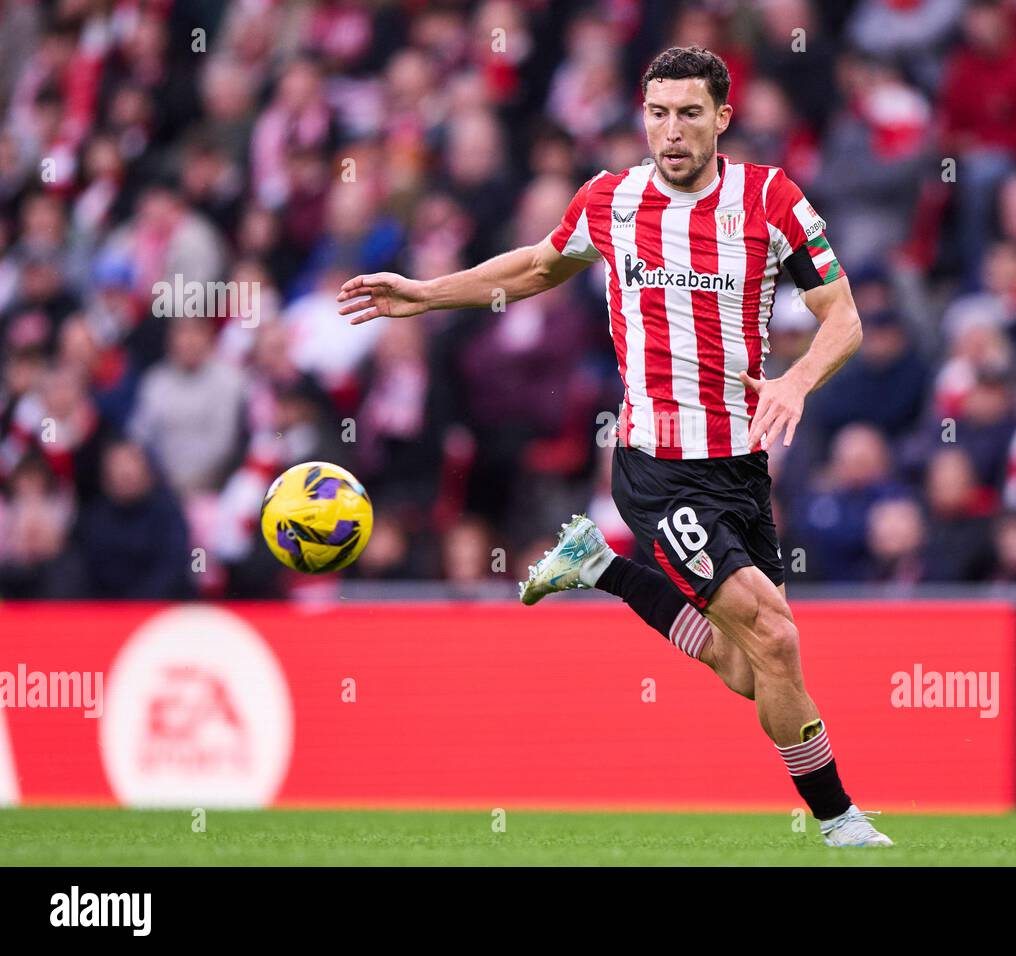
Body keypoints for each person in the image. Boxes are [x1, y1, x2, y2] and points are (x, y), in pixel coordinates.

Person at [337, 47, 891, 848]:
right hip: (656, 467)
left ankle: (601, 566)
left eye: (689, 113)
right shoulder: (610, 200)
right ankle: (841, 819)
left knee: (750, 670)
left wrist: (797, 382)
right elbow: (533, 268)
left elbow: (844, 318)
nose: (671, 130)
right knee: (777, 638)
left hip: (741, 463)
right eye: (658, 113)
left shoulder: (772, 198)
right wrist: (425, 295)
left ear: (722, 119)